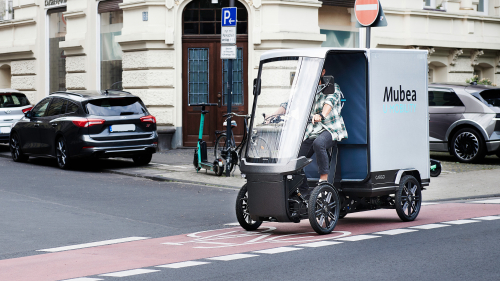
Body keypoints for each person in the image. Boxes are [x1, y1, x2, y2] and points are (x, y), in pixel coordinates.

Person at [297, 69, 348, 197]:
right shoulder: (307, 90)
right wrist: (272, 115)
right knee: (295, 160)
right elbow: (289, 104)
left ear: (323, 72)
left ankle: (323, 181)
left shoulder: (333, 87)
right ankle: (304, 193)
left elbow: (329, 102)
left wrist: (321, 114)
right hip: (313, 130)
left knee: (319, 143)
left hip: (331, 129)